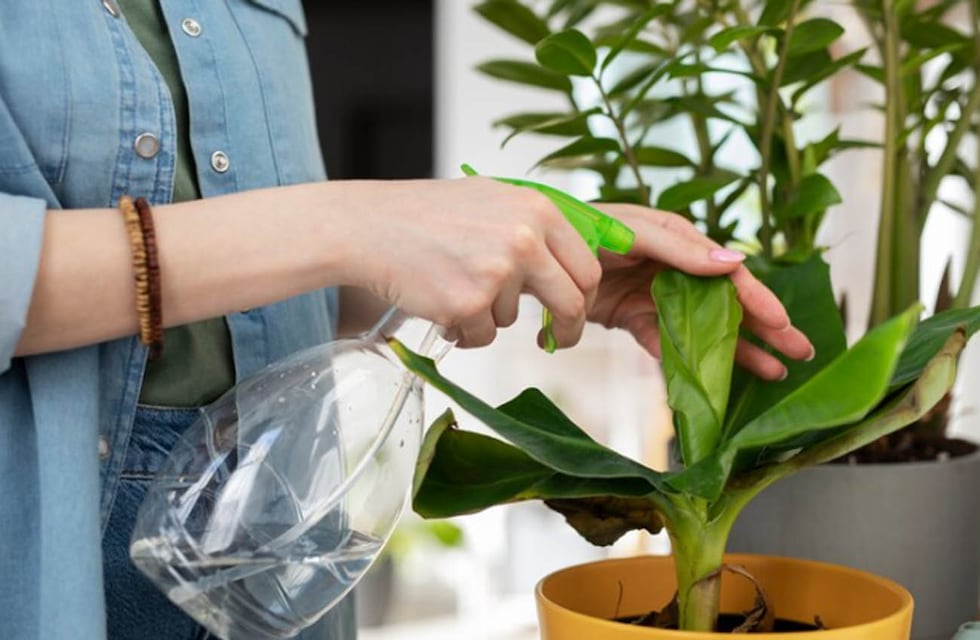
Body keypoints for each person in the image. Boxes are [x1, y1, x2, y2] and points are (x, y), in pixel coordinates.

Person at [0, 2, 814, 639]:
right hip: (46, 565)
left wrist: (528, 253)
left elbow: (284, 288)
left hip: (277, 556)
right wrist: (354, 223)